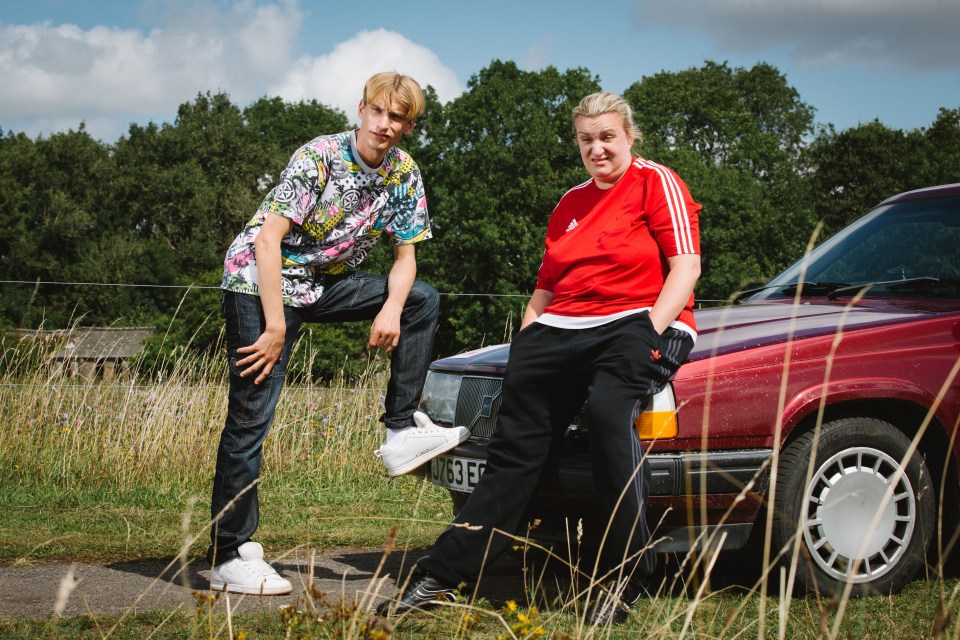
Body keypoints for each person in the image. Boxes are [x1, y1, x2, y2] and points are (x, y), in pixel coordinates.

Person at [376, 91, 701, 625]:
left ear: (629, 136)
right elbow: (545, 289)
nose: (597, 149)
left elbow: (684, 268)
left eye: (607, 138)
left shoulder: (654, 181)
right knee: (515, 444)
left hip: (641, 318)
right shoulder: (569, 203)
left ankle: (621, 576)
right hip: (560, 328)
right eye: (586, 139)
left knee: (605, 413)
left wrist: (648, 330)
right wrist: (527, 342)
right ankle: (443, 574)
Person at [208, 71, 468, 595]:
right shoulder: (320, 157)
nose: (385, 125)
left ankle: (399, 429)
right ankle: (229, 555)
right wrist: (276, 325)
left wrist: (392, 307)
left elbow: (406, 258)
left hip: (325, 284)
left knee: (422, 298)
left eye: (397, 118)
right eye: (378, 111)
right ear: (361, 109)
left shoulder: (403, 174)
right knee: (251, 415)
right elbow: (267, 242)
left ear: (408, 125)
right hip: (260, 282)